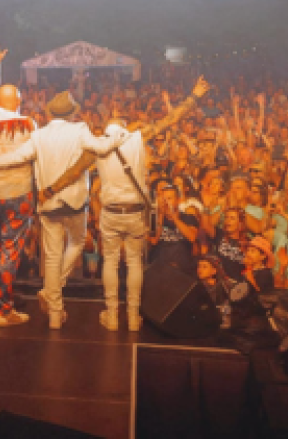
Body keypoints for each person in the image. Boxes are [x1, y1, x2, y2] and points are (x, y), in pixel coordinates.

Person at [37, 76, 210, 331]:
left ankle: (112, 314)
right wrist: (194, 96)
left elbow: (73, 173)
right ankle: (132, 318)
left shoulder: (98, 146)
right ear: (125, 128)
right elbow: (171, 119)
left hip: (111, 212)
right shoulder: (137, 137)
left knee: (110, 262)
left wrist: (50, 189)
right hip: (135, 213)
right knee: (134, 263)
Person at [0, 91, 127, 330]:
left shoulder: (39, 134)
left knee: (51, 257)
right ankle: (53, 292)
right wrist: (121, 135)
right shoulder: (80, 129)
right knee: (77, 243)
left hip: (48, 203)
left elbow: (20, 156)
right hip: (73, 202)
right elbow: (101, 149)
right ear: (73, 113)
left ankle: (54, 314)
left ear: (50, 113)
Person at [0, 42, 36, 327]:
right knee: (10, 251)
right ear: (18, 100)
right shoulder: (28, 124)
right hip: (18, 194)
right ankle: (5, 311)